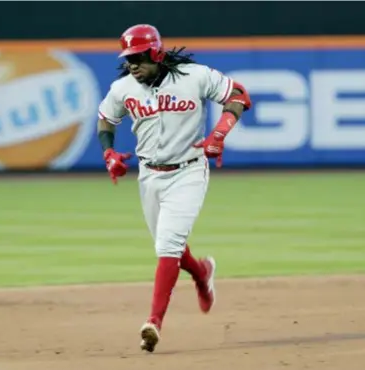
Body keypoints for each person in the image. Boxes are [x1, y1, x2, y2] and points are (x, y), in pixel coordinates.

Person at [97, 24, 252, 353]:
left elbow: (238, 95)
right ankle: (201, 272)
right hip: (149, 177)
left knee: (167, 245)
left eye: (138, 57)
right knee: (171, 245)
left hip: (189, 173)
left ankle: (153, 322)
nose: (133, 65)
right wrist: (109, 152)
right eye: (128, 59)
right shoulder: (124, 87)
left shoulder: (194, 76)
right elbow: (106, 119)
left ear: (155, 52)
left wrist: (220, 132)